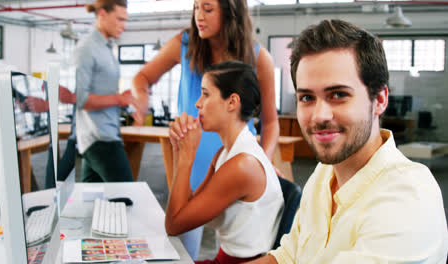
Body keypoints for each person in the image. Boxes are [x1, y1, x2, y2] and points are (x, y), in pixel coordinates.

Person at [247, 19, 448, 264]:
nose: (320, 116)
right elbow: (288, 256)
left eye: (339, 95)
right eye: (307, 97)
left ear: (381, 99)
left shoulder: (407, 197)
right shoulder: (324, 174)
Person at [132, 0, 279, 258]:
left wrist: (263, 165)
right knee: (182, 244)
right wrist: (141, 98)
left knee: (213, 230)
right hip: (191, 155)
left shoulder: (258, 57)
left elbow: (270, 122)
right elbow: (142, 77)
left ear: (230, 12)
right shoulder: (185, 44)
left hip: (230, 162)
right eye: (196, 7)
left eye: (208, 9)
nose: (199, 16)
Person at [166, 61, 284, 264]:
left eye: (206, 94)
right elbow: (187, 209)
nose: (198, 103)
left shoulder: (242, 165)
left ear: (232, 102)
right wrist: (179, 149)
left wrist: (188, 155)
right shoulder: (226, 153)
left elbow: (175, 225)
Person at [75, 0, 139, 182]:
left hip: (105, 134)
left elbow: (104, 92)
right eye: (119, 19)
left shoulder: (106, 49)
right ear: (102, 14)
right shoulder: (87, 49)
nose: (123, 26)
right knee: (127, 196)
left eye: (125, 20)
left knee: (91, 199)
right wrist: (119, 99)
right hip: (99, 138)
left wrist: (124, 98)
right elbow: (81, 99)